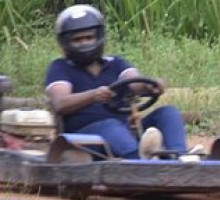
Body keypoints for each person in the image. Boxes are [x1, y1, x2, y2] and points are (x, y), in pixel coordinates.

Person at [44, 4, 188, 160]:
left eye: (89, 37)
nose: (85, 43)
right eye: (78, 40)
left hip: (124, 132)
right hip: (83, 139)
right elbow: (61, 103)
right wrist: (93, 96)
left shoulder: (115, 63)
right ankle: (141, 160)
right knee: (111, 126)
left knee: (168, 113)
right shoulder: (60, 67)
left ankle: (178, 157)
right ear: (66, 42)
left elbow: (133, 81)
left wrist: (150, 86)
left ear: (98, 37)